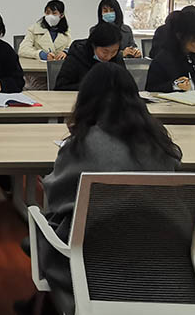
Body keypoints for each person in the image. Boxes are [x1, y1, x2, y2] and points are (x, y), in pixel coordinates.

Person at [34, 62, 183, 311]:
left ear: (86, 99)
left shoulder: (82, 145)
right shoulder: (162, 145)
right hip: (159, 261)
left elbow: (57, 201)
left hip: (90, 263)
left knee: (41, 230)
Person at [55, 21, 126, 91]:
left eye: (113, 52)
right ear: (94, 45)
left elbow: (126, 85)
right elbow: (60, 87)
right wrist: (91, 86)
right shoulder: (76, 56)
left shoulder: (117, 58)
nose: (109, 56)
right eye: (105, 52)